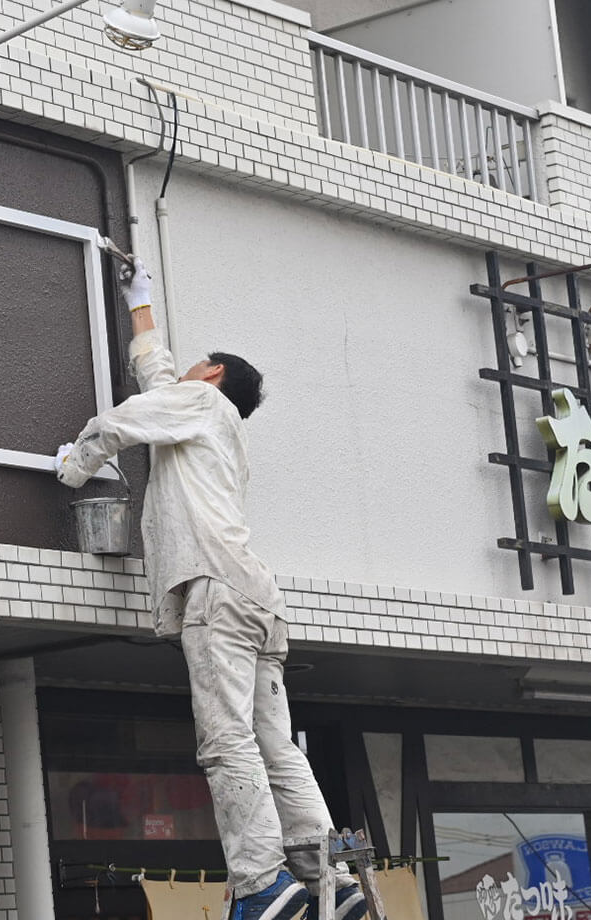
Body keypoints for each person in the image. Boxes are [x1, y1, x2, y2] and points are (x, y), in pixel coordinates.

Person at [54, 258, 367, 920]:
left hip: (216, 593)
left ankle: (261, 883)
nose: (185, 374)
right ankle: (325, 884)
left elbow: (121, 419)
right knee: (275, 743)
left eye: (197, 365)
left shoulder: (198, 404)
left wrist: (73, 468)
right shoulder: (213, 426)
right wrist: (140, 306)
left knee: (226, 741)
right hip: (258, 598)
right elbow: (157, 377)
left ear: (215, 374)